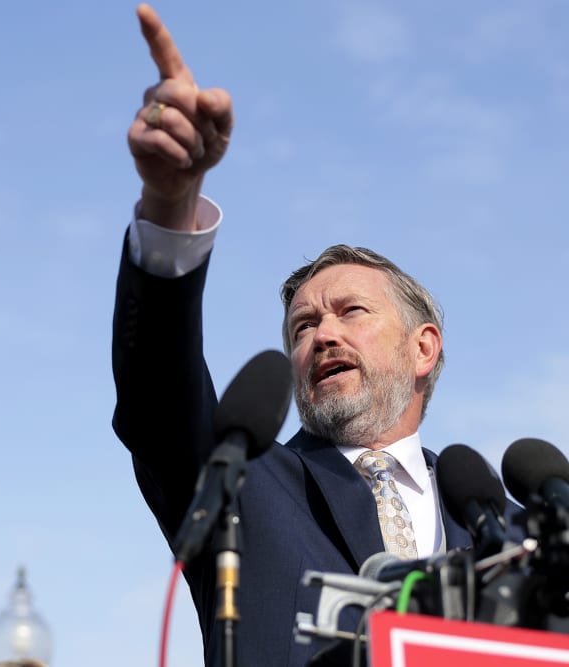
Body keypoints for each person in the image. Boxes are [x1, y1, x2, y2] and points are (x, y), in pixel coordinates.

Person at [112, 5, 502, 665]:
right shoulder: (241, 482)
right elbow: (157, 389)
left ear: (423, 347)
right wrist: (170, 206)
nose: (321, 333)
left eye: (351, 311)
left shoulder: (505, 521)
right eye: (303, 325)